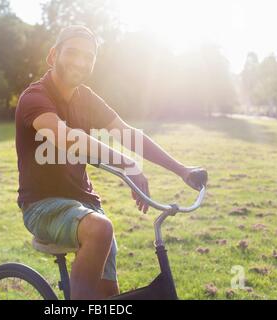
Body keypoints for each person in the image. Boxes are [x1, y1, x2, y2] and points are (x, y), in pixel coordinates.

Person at [15, 25, 208, 299]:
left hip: (87, 205)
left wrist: (182, 170)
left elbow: (128, 133)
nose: (81, 62)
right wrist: (125, 163)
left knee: (109, 296)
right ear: (52, 55)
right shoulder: (35, 97)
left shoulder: (87, 99)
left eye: (89, 56)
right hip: (42, 206)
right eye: (72, 53)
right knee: (101, 228)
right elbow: (67, 138)